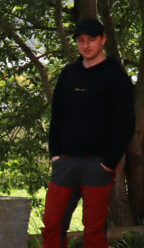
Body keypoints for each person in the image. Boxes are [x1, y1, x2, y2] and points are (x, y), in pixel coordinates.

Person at [42, 18, 135, 248]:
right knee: (52, 224)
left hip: (98, 164)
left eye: (91, 40)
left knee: (93, 231)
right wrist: (55, 154)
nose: (86, 45)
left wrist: (109, 162)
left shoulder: (116, 76)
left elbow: (126, 123)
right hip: (65, 162)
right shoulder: (69, 74)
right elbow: (57, 117)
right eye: (81, 40)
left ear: (102, 40)